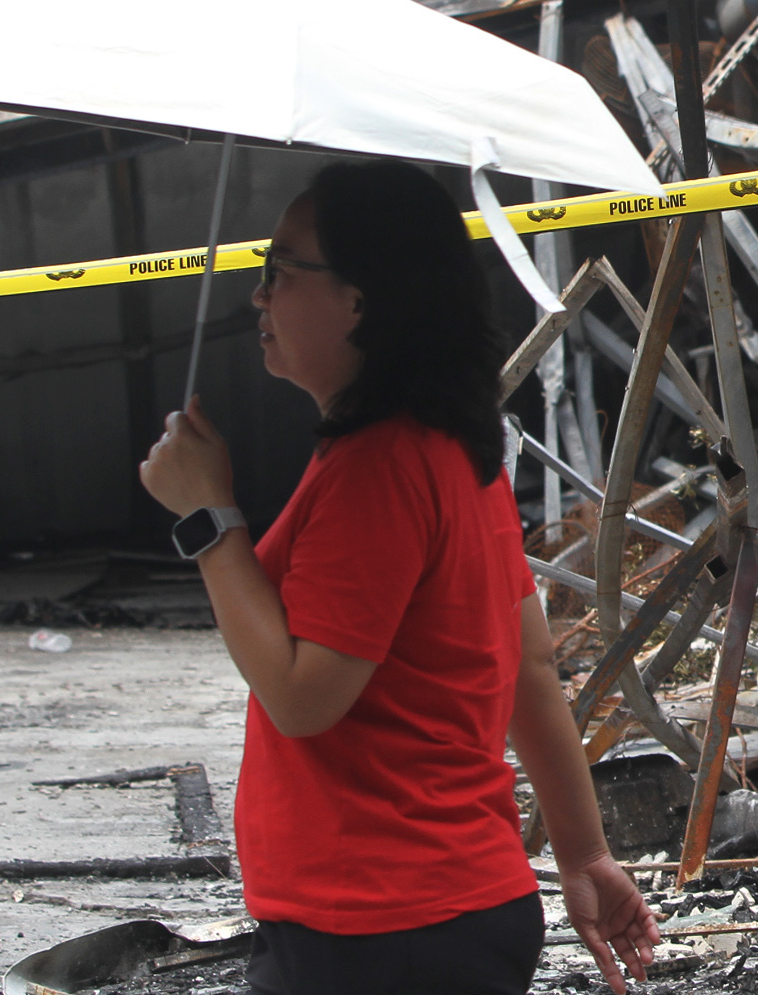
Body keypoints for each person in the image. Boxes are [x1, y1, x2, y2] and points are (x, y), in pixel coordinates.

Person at [140, 159, 658, 995]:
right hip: (431, 916)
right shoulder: (449, 443)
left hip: (379, 929)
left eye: (280, 270)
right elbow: (527, 666)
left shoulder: (377, 470)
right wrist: (584, 853)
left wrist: (209, 521)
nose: (259, 296)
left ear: (359, 298)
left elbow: (306, 698)